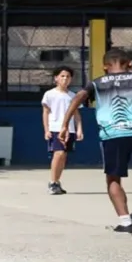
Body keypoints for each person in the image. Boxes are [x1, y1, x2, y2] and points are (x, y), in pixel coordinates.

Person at [59, 48, 132, 235]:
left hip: (114, 134)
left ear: (104, 66)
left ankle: (124, 221)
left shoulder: (96, 83)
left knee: (114, 178)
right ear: (130, 64)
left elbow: (79, 97)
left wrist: (65, 124)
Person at [41, 66, 83, 195]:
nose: (65, 79)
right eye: (62, 76)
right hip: (55, 129)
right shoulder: (50, 94)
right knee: (58, 154)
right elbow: (45, 112)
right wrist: (47, 130)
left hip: (69, 130)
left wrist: (79, 129)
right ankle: (52, 182)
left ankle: (57, 182)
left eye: (68, 76)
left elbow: (76, 114)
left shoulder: (73, 96)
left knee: (63, 156)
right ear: (56, 78)